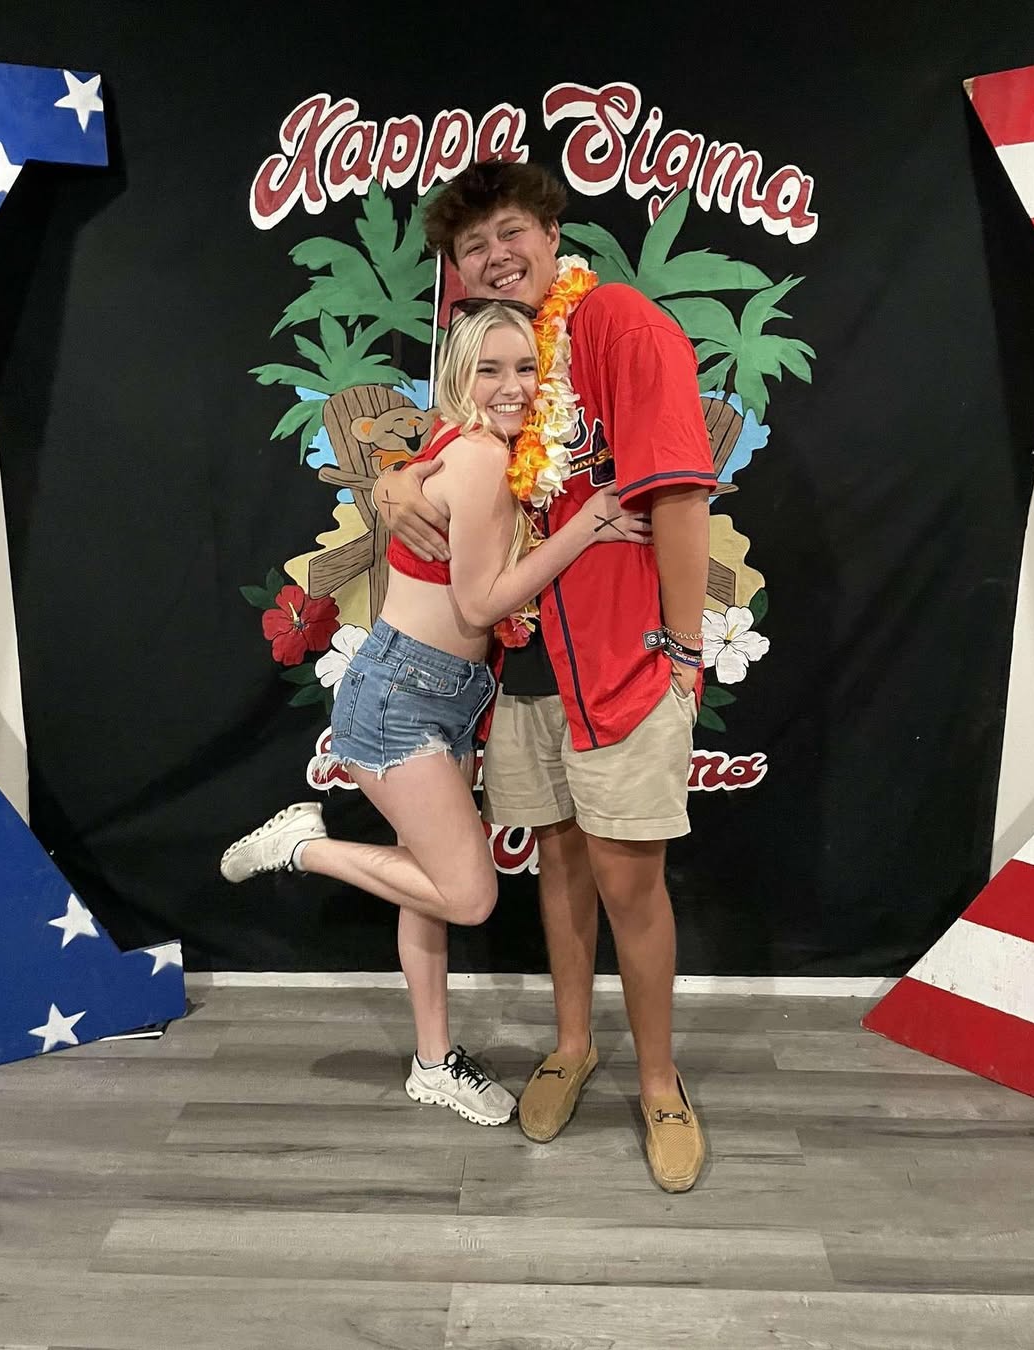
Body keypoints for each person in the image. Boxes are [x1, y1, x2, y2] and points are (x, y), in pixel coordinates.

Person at [220, 301, 649, 1128]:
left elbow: (424, 499)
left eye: (525, 368)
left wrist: (401, 479)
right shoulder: (481, 456)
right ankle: (302, 846)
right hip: (401, 696)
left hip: (445, 692)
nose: (512, 386)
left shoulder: (473, 445)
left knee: (427, 890)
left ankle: (431, 1063)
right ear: (458, 373)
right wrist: (591, 526)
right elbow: (482, 601)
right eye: (490, 369)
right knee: (468, 895)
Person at [379, 161, 716, 1191]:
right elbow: (439, 460)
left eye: (510, 232)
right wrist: (395, 481)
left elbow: (681, 494)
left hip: (622, 662)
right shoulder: (493, 356)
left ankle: (659, 1082)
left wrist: (685, 652)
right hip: (525, 668)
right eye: (472, 246)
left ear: (553, 234)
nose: (494, 257)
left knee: (630, 881)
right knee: (560, 865)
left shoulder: (618, 326)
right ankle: (574, 1045)